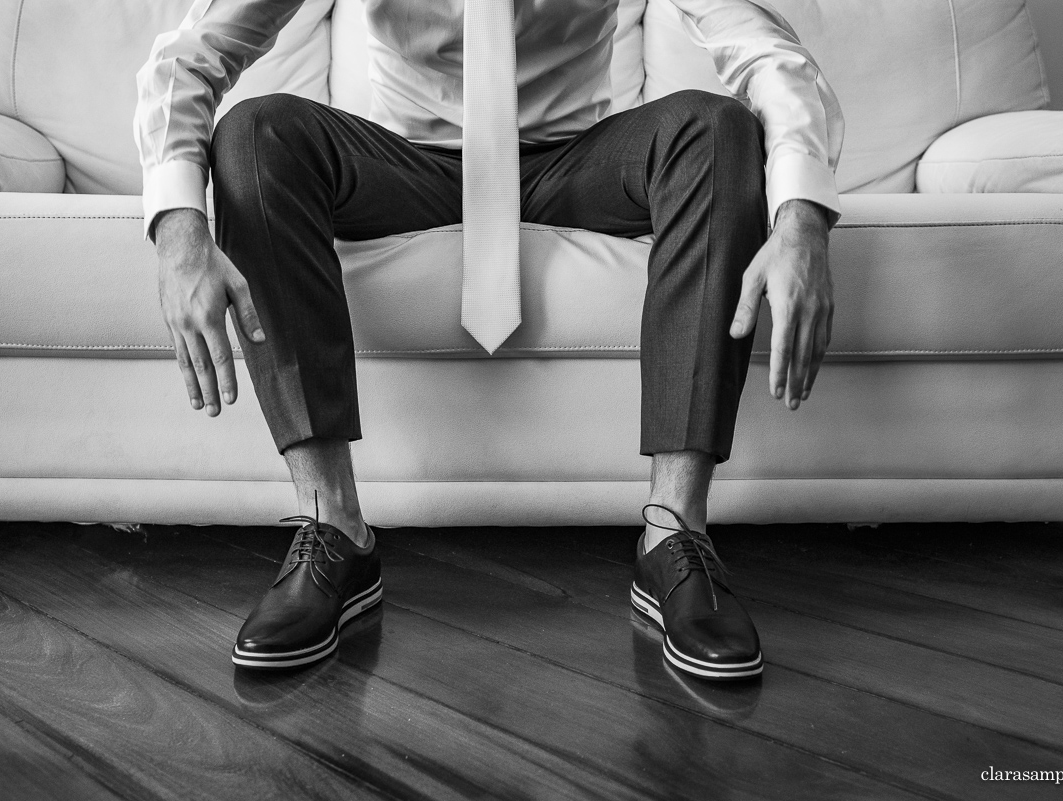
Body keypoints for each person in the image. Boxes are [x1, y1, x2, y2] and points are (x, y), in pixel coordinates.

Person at [135, 0, 843, 680]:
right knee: (255, 133)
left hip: (571, 161)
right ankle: (335, 527)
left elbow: (766, 50)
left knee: (717, 126)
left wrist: (802, 220)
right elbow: (191, 59)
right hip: (406, 165)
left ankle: (675, 534)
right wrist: (177, 229)